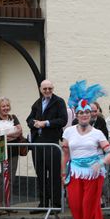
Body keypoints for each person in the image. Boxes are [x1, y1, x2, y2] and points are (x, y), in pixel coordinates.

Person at [62, 84, 110, 219]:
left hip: (94, 173)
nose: (84, 115)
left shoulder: (97, 133)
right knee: (76, 205)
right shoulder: (68, 132)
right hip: (75, 172)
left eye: (87, 112)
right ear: (76, 115)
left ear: (91, 115)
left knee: (89, 205)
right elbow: (66, 155)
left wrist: (101, 163)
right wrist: (63, 174)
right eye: (81, 112)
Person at [26, 79, 68, 210]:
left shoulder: (59, 102)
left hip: (51, 142)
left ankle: (56, 204)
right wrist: (35, 123)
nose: (47, 91)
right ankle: (43, 203)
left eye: (50, 88)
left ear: (53, 88)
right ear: (40, 89)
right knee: (41, 174)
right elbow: (29, 119)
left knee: (54, 174)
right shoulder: (37, 103)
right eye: (45, 89)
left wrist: (46, 123)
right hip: (37, 142)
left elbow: (63, 120)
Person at [0, 97, 25, 207]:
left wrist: (6, 135)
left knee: (11, 179)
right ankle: (0, 204)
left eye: (7, 105)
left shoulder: (13, 117)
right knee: (0, 180)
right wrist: (10, 134)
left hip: (13, 153)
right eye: (3, 106)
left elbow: (19, 130)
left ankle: (8, 205)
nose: (6, 108)